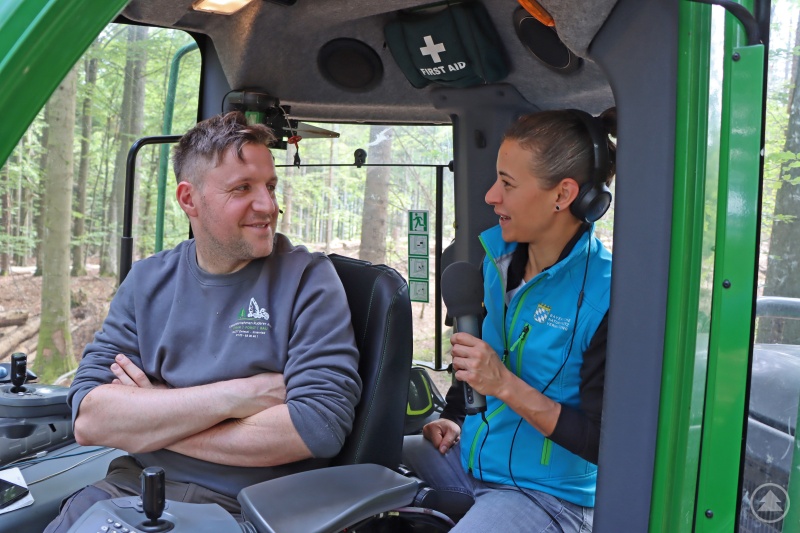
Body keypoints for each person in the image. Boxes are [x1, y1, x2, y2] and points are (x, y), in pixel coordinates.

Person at [44, 111, 362, 532]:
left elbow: (316, 428)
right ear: (189, 199)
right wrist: (239, 396)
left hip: (248, 509)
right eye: (242, 189)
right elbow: (89, 418)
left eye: (270, 186)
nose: (268, 205)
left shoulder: (307, 279)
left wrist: (149, 419)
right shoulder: (148, 281)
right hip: (129, 491)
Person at [402, 108, 615, 532]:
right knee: (368, 455)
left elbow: (601, 442)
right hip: (476, 461)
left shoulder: (607, 296)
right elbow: (478, 362)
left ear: (563, 194)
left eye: (507, 184)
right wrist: (454, 418)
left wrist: (503, 383)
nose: (490, 196)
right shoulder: (495, 262)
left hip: (550, 495)